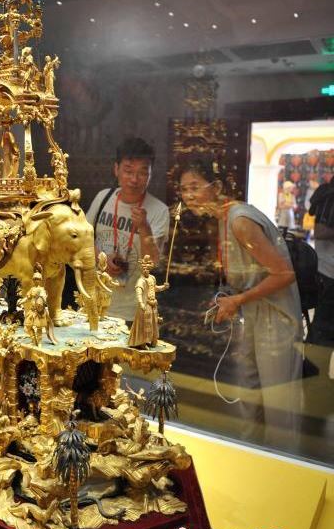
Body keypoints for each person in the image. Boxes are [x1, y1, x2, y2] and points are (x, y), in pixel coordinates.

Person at [179, 158, 303, 444]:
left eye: (195, 187)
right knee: (249, 396)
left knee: (278, 405)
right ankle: (251, 455)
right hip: (252, 314)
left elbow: (284, 274)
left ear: (217, 187)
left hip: (275, 317)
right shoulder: (223, 220)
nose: (188, 196)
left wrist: (239, 299)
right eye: (184, 189)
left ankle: (283, 464)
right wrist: (230, 298)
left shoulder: (240, 220)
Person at [85, 137, 169, 322]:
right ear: (116, 169)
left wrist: (144, 227)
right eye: (128, 171)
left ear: (151, 174)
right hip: (93, 304)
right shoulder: (103, 197)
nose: (134, 179)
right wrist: (101, 258)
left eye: (143, 172)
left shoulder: (159, 210)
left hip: (132, 312)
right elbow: (81, 240)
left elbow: (153, 262)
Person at [308, 176, 334, 347]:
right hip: (329, 270)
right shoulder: (330, 197)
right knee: (324, 328)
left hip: (328, 269)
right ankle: (313, 363)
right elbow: (320, 231)